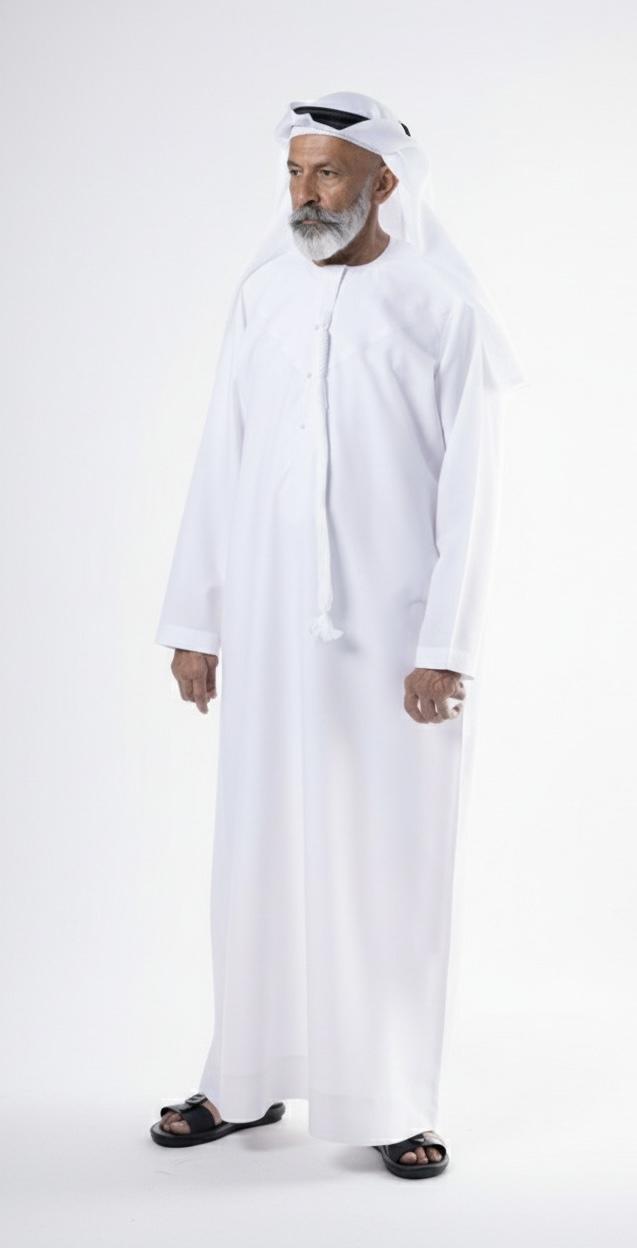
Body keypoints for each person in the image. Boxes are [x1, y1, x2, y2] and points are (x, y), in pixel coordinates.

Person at [149, 91, 526, 1179]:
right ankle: (243, 1075)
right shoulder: (263, 293)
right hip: (267, 626)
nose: (306, 194)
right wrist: (197, 619)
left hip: (391, 641)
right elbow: (220, 454)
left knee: (386, 859)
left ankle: (395, 1097)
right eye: (295, 172)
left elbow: (471, 493)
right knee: (256, 851)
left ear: (382, 184)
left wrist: (444, 646)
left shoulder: (438, 306)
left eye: (328, 173)